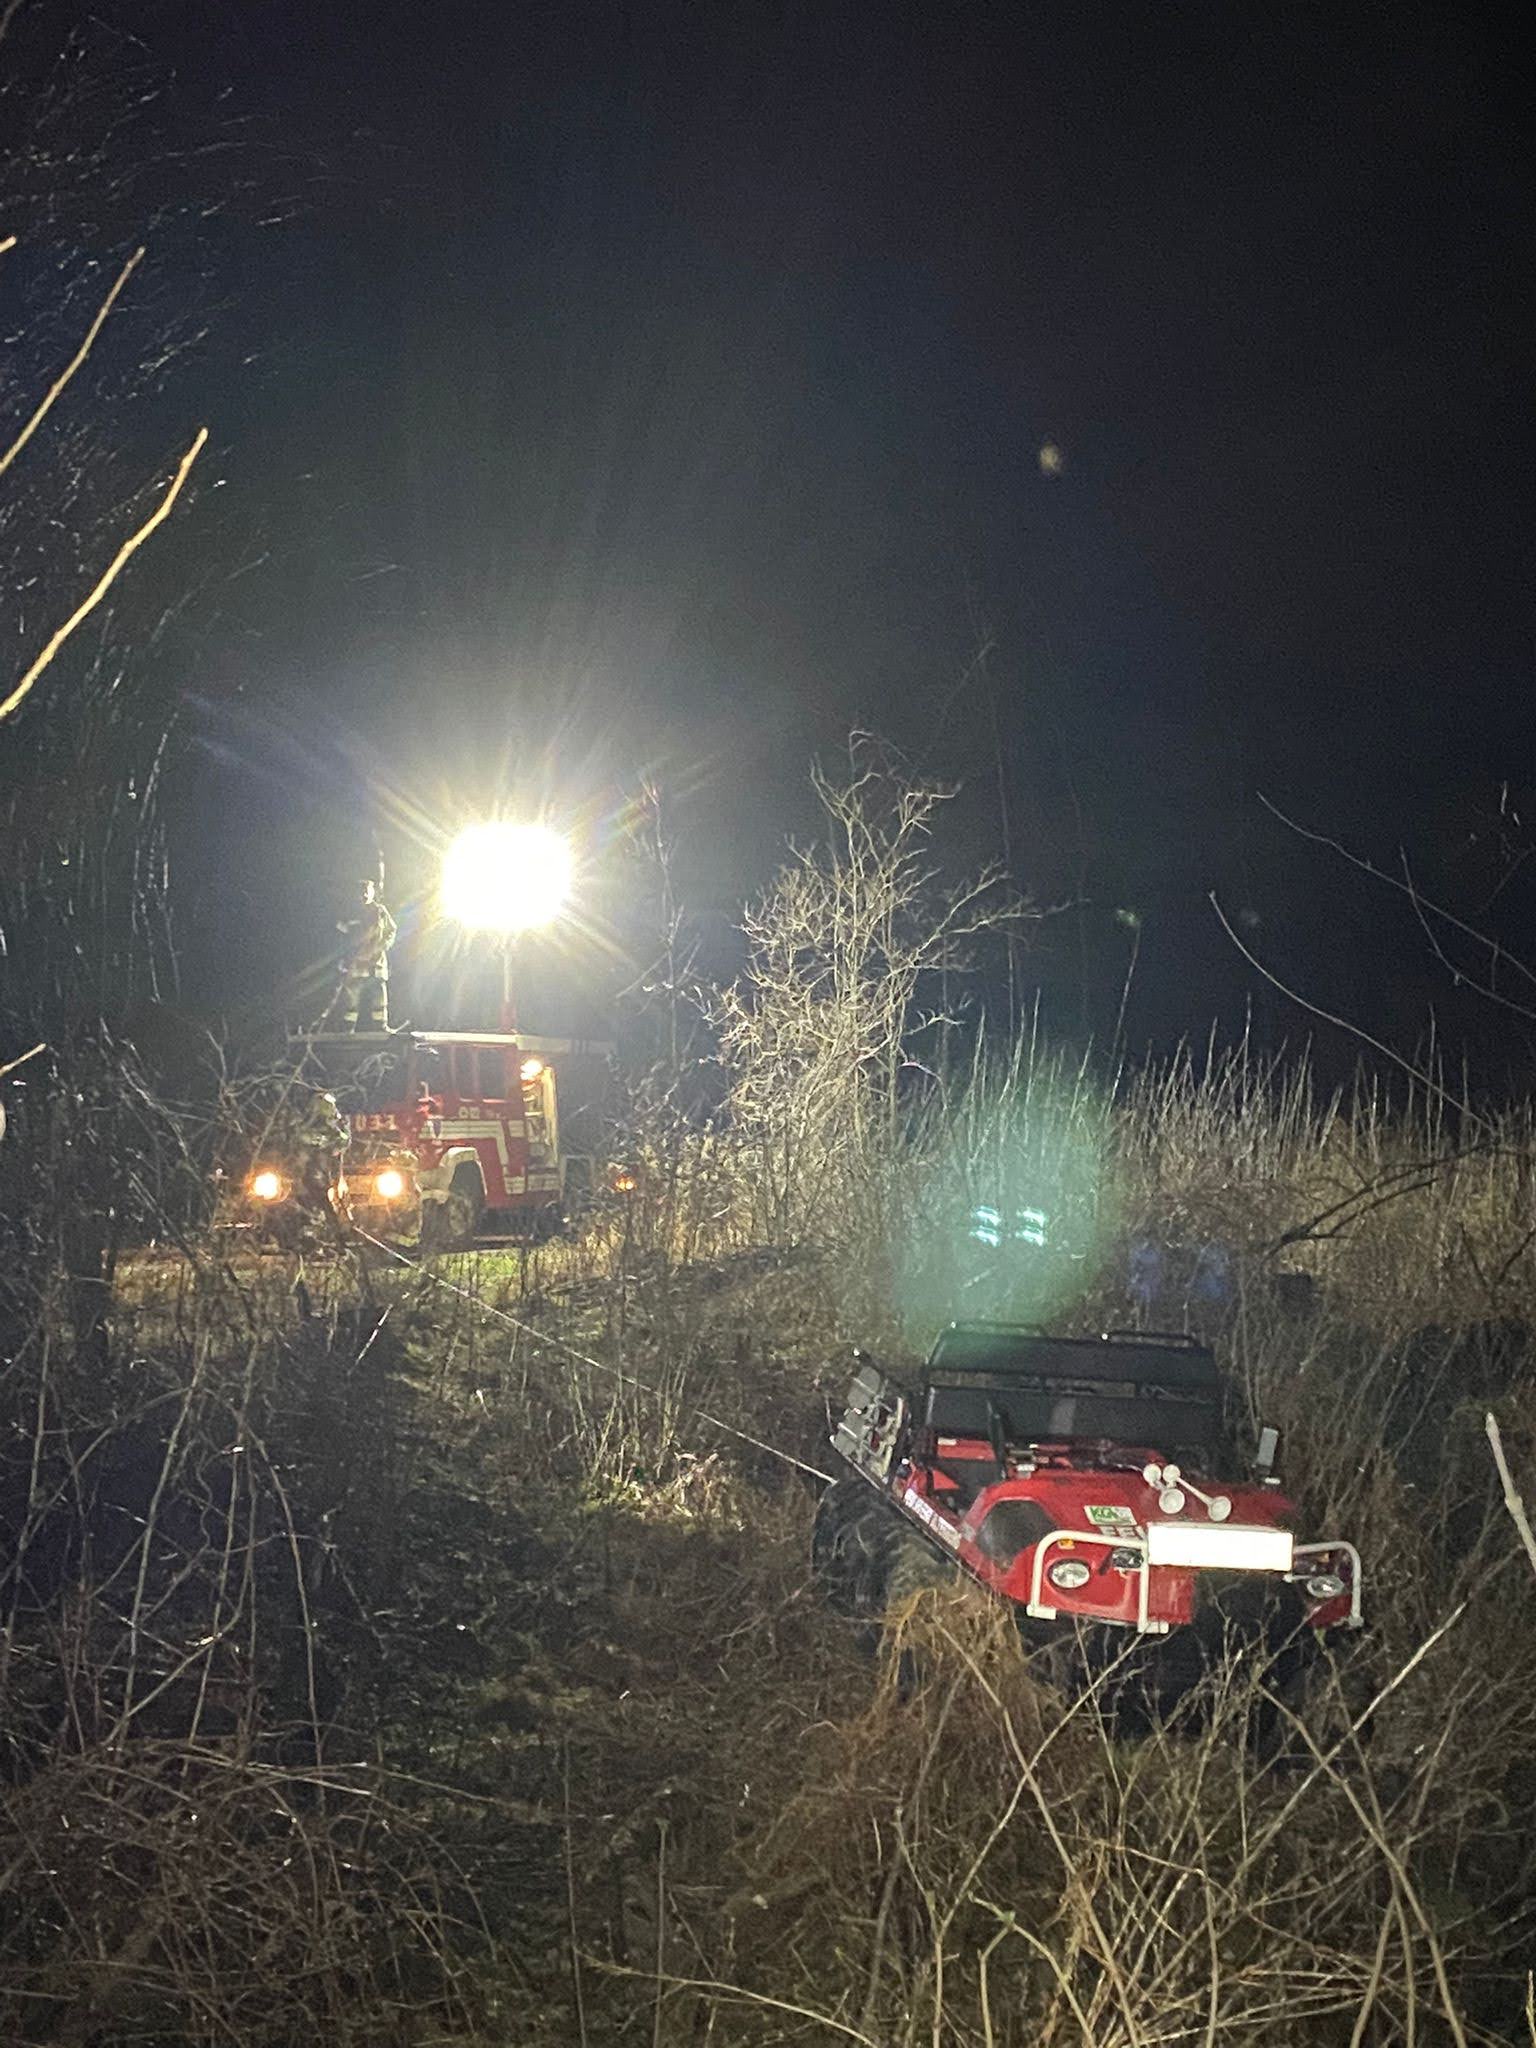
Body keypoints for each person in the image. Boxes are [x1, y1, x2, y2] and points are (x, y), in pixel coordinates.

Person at [336, 879, 397, 1032]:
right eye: (361, 891)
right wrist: (344, 958)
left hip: (376, 961)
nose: (364, 894)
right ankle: (348, 1028)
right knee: (352, 994)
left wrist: (382, 947)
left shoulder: (380, 911)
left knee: (378, 993)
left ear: (372, 892)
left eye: (367, 891)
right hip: (356, 962)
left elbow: (391, 930)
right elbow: (340, 937)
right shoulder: (350, 913)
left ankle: (381, 1026)